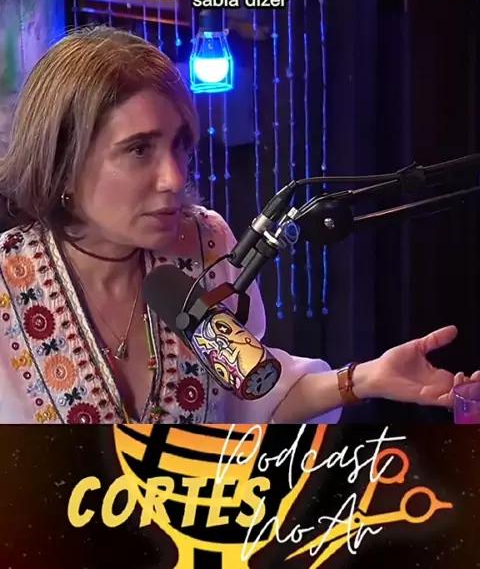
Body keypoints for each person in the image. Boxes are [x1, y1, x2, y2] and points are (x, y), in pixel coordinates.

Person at [0, 26, 477, 425]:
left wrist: (365, 379)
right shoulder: (7, 280)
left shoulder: (204, 243)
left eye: (180, 145)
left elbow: (253, 400)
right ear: (63, 162)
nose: (175, 178)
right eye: (139, 149)